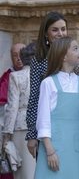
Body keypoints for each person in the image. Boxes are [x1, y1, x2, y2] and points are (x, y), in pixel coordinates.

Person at [26, 11, 79, 158]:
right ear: (46, 34)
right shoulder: (39, 60)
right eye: (55, 30)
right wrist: (32, 134)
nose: (60, 33)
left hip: (75, 126)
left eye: (63, 29)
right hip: (50, 128)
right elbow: (35, 98)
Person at [35, 36, 79, 179]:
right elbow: (43, 121)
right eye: (75, 48)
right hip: (53, 150)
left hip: (76, 150)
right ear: (63, 56)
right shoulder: (48, 83)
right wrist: (50, 151)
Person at [2, 43, 36, 179]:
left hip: (21, 127)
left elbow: (12, 107)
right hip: (41, 128)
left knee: (23, 173)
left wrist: (6, 136)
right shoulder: (45, 77)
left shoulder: (16, 76)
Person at [0, 43, 25, 155]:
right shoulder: (7, 77)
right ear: (11, 57)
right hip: (13, 127)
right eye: (15, 55)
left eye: (21, 54)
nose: (19, 58)